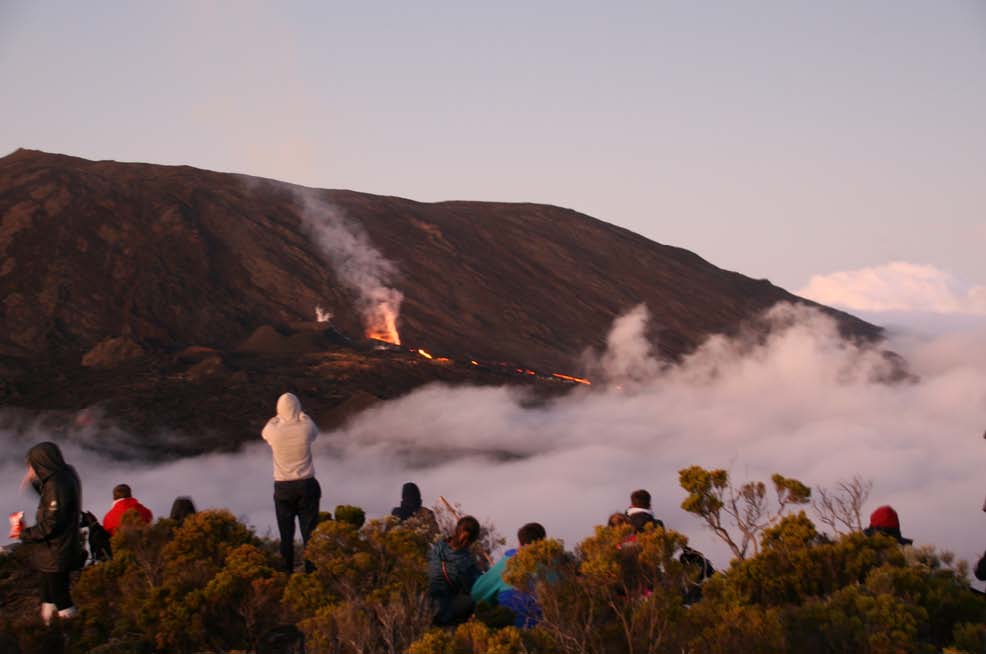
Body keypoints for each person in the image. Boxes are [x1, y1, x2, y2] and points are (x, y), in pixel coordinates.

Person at [16, 442, 85, 624]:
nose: (31, 468)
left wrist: (23, 534)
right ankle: (49, 631)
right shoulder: (64, 476)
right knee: (48, 596)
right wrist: (32, 480)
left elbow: (52, 524)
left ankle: (72, 632)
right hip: (55, 550)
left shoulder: (57, 484)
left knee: (60, 597)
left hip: (57, 550)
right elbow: (50, 498)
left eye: (33, 464)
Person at [262, 392, 321, 573]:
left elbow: (266, 431)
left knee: (286, 535)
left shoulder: (273, 431)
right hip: (306, 485)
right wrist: (301, 415)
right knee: (310, 534)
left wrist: (279, 417)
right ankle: (312, 573)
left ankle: (286, 572)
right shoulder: (306, 427)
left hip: (283, 487)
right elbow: (314, 430)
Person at [471, 522, 546, 628]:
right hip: (549, 632)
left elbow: (477, 593)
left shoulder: (507, 564)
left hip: (512, 631)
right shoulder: (553, 566)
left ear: (520, 544)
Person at [429, 515, 482, 626]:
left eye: (470, 539)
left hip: (434, 605)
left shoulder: (437, 548)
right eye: (466, 538)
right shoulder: (464, 560)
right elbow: (478, 585)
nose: (466, 542)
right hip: (440, 605)